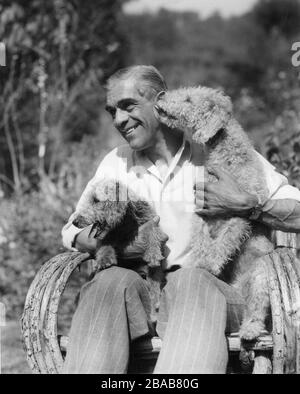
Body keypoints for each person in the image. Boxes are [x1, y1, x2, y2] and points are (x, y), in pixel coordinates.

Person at [61, 65, 300, 374]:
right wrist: (116, 244)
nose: (119, 120)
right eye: (112, 111)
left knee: (190, 280)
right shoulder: (115, 163)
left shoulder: (219, 153)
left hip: (212, 296)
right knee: (108, 282)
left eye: (128, 105)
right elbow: (72, 230)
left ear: (161, 100)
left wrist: (249, 206)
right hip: (144, 299)